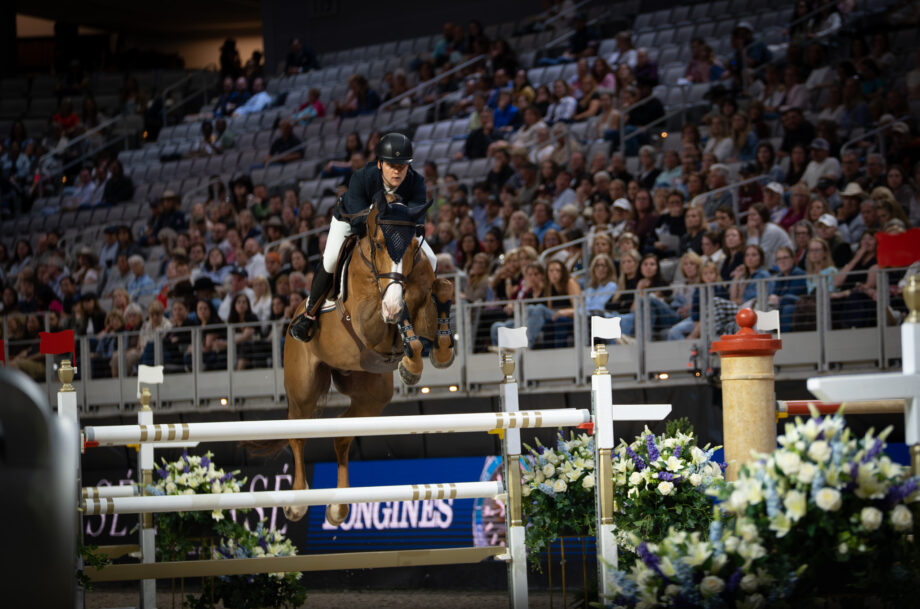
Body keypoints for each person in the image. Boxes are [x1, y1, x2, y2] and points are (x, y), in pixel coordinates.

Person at [288, 133, 438, 342]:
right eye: (392, 165)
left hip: (396, 231)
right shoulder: (362, 177)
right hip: (350, 221)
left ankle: (425, 309)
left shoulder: (417, 182)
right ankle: (309, 314)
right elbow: (359, 222)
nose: (397, 171)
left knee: (432, 259)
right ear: (380, 164)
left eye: (402, 166)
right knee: (330, 259)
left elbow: (417, 221)